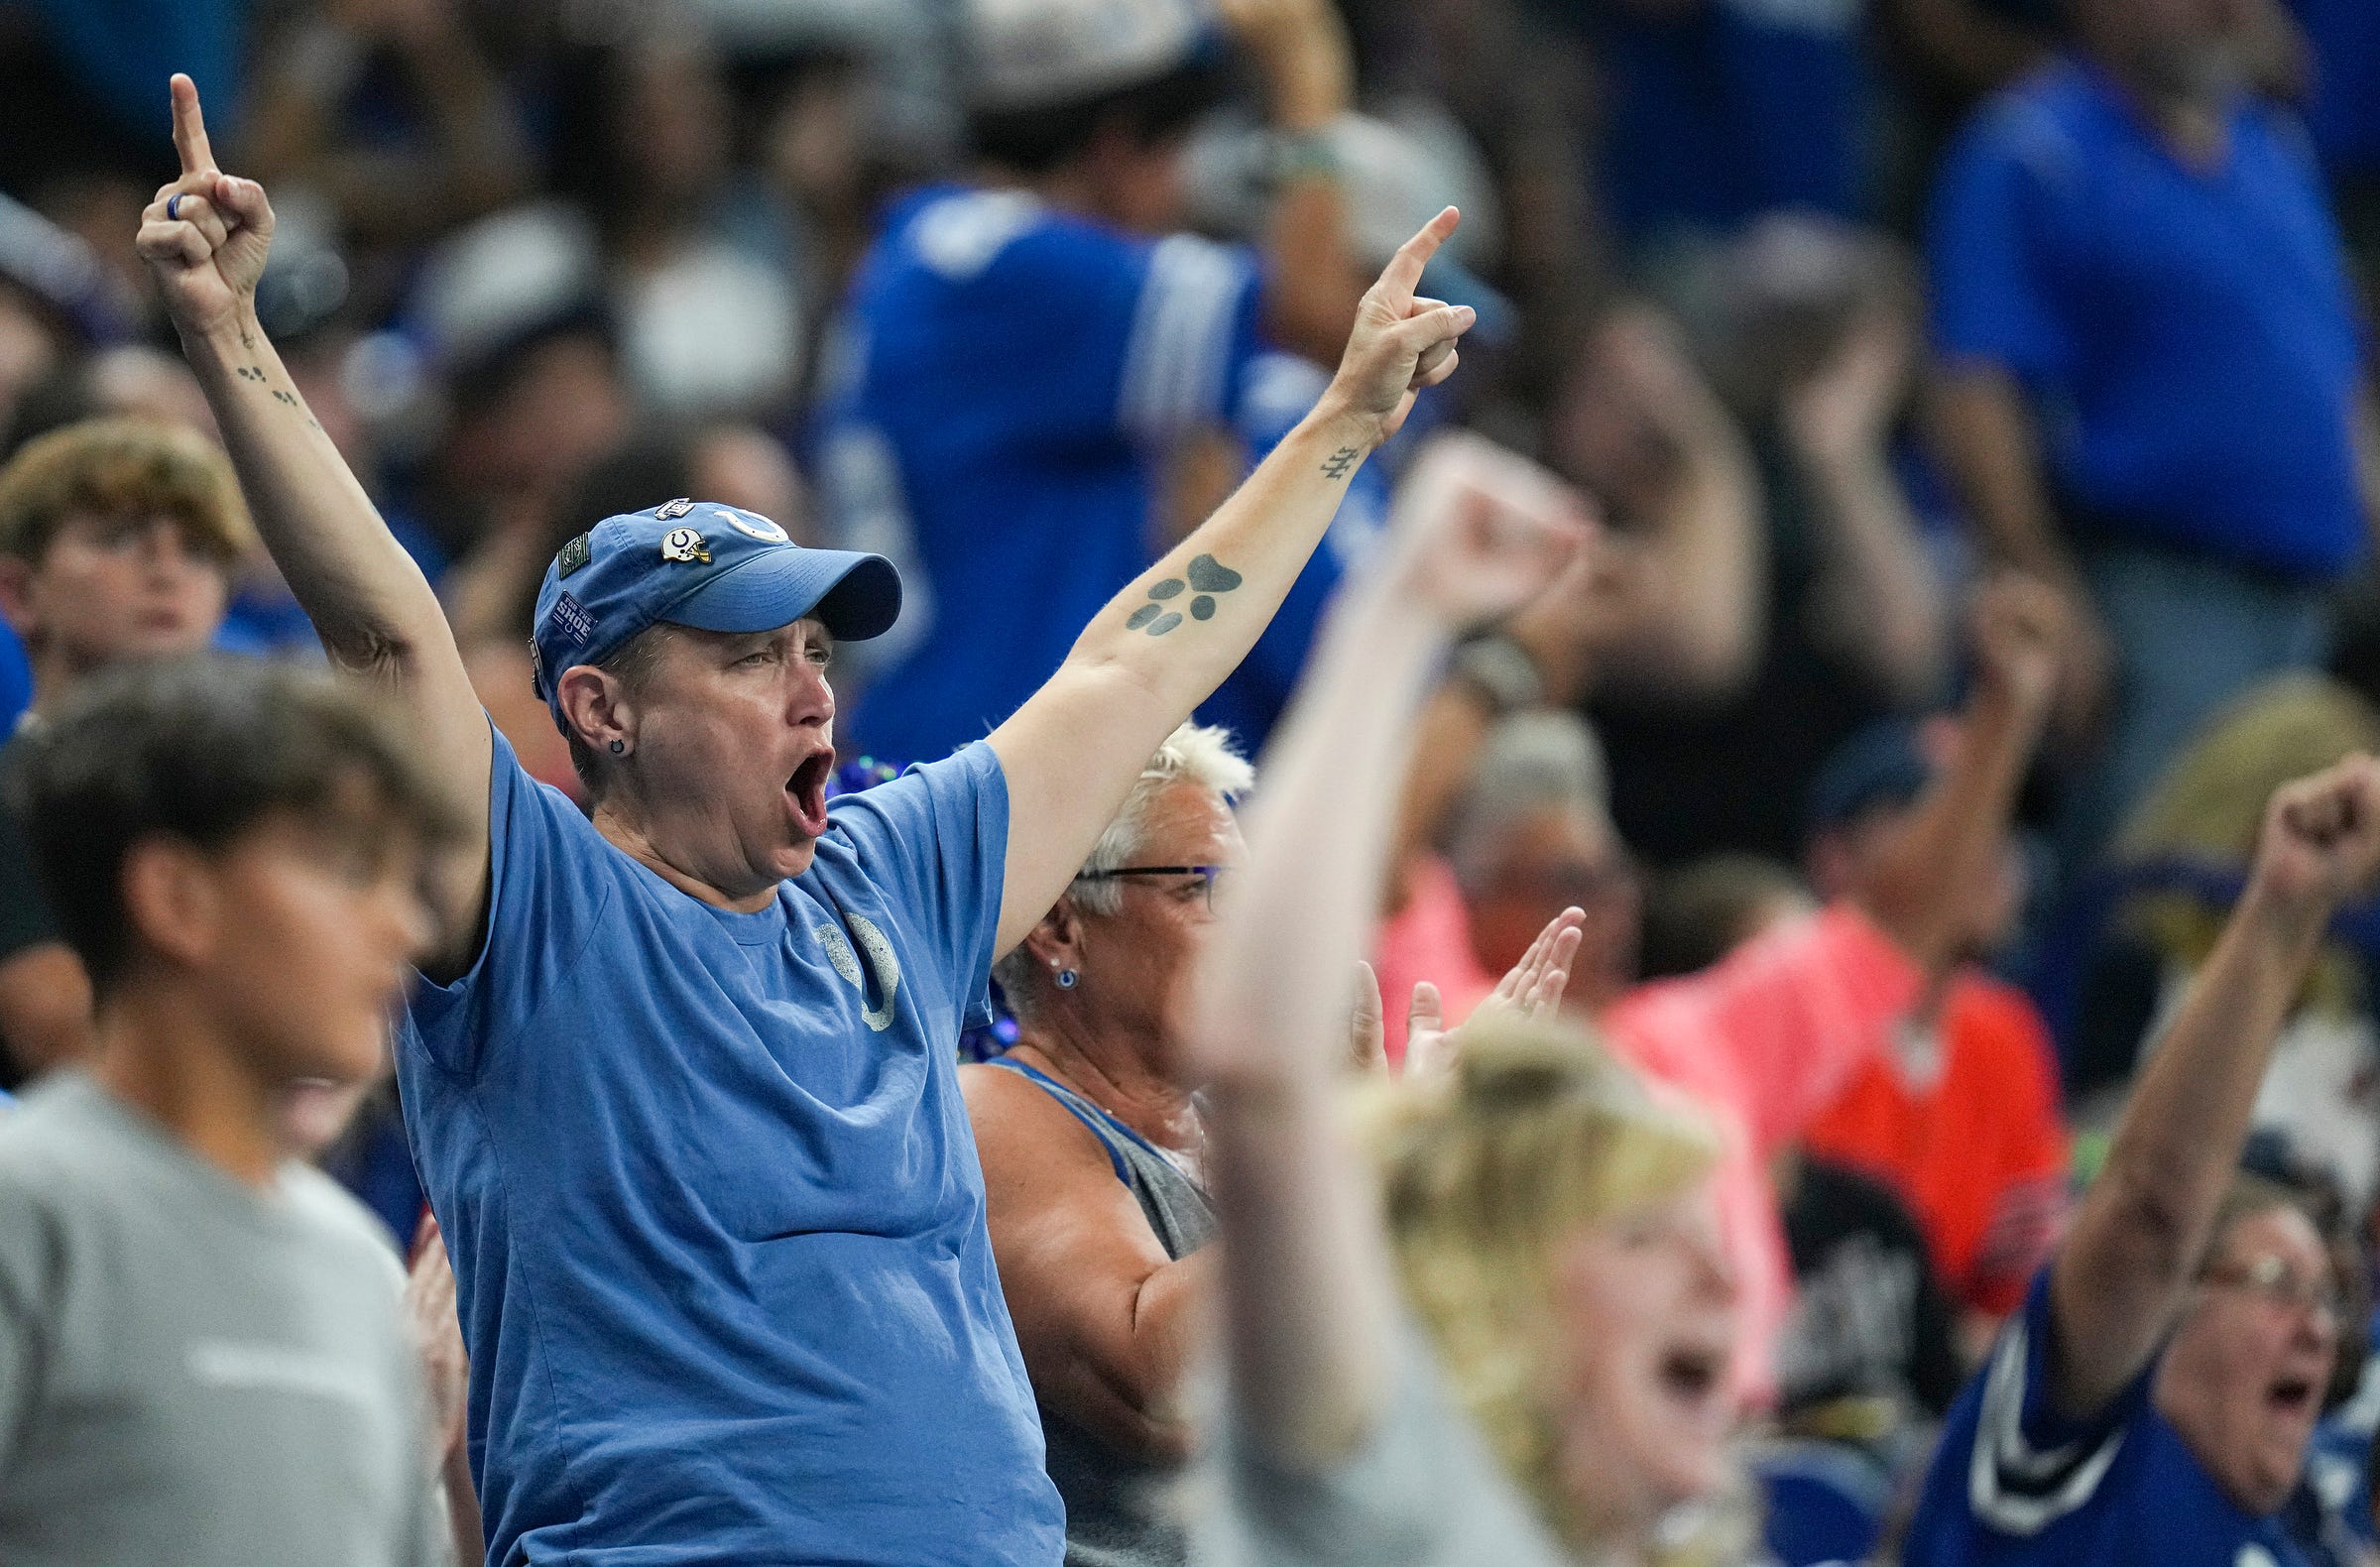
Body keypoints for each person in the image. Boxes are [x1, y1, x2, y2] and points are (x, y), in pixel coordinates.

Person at [139, 71, 1476, 1566]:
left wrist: (1347, 419)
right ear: (599, 710)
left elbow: (1135, 657)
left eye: (815, 654)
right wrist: (229, 336)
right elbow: (386, 637)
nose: (811, 693)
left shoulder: (896, 877)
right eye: (746, 655)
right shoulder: (527, 905)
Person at [1179, 427, 1743, 1565]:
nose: (1723, 1277)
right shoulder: (1396, 1499)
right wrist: (1405, 605)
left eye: (1701, 1232)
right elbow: (1259, 1072)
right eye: (1643, 1236)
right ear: (1508, 1281)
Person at [816, 0, 1368, 763]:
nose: (1181, 187)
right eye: (1175, 144)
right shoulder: (1008, 271)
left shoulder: (943, 255)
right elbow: (1319, 314)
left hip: (942, 764)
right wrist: (1308, 75)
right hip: (969, 780)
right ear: (1115, 145)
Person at [0, 655, 451, 1567]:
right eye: (349, 867)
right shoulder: (28, 1212)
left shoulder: (359, 1269)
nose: (407, 929)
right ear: (177, 897)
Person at [1926, 0, 2380, 862]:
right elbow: (1977, 382)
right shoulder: (2034, 149)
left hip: (2313, 602)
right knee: (2163, 876)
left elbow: (2331, 369)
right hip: (2153, 594)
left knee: (2297, 882)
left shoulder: (2269, 150)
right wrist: (2040, 581)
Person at [1902, 753, 2380, 1564]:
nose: (2316, 1332)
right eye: (2274, 1285)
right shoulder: (2061, 1471)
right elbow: (2148, 1217)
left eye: (2328, 1302)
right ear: (2161, 1317)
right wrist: (2281, 916)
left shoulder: (2315, 1510)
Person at [963, 721, 1249, 1566]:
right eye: (1203, 888)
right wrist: (1349, 1157)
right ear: (1060, 926)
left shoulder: (1236, 1138)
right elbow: (1164, 1390)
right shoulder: (994, 1111)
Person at [1797, 718, 2073, 1341]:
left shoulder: (2005, 1034)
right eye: (1946, 817)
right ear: (1834, 857)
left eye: (2002, 820)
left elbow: (2012, 1301)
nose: (1987, 847)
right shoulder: (1794, 1019)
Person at [0, 415, 250, 1082]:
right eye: (119, 538)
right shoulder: (13, 796)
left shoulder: (246, 804)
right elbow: (57, 1031)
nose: (166, 570)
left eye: (198, 552)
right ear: (20, 593)